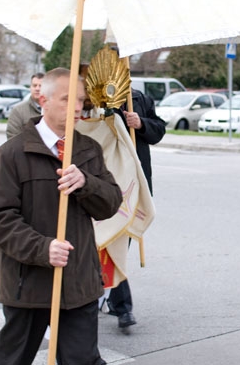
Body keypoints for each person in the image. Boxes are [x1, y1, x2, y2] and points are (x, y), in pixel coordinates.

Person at [0, 67, 122, 365]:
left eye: (81, 99)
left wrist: (87, 183)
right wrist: (42, 248)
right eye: (67, 99)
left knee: (82, 360)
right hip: (28, 285)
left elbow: (111, 203)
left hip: (79, 283)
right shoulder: (12, 153)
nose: (77, 106)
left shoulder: (88, 149)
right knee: (12, 360)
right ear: (43, 100)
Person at [105, 87, 166, 329]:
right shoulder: (97, 100)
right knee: (112, 242)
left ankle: (114, 298)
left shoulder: (139, 98)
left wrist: (141, 124)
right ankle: (121, 305)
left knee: (122, 243)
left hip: (135, 183)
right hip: (109, 180)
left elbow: (158, 130)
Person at [5, 72, 44, 139]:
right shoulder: (18, 111)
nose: (37, 89)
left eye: (40, 86)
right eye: (34, 85)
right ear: (30, 87)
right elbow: (12, 137)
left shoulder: (54, 110)